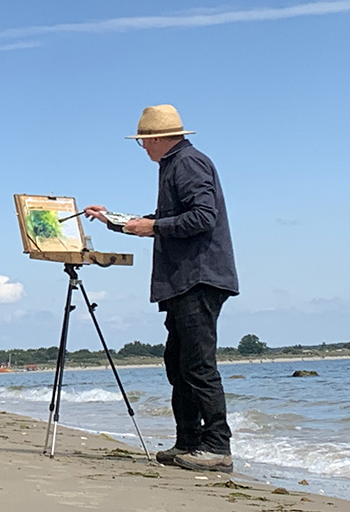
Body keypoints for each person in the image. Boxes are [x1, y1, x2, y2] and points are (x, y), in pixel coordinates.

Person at [83, 104, 238, 473]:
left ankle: (217, 446)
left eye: (143, 143)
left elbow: (202, 217)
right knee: (178, 364)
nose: (144, 150)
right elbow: (163, 220)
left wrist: (151, 228)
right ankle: (188, 442)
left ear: (156, 139)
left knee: (198, 365)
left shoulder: (187, 162)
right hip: (184, 280)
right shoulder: (174, 164)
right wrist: (114, 221)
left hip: (199, 277)